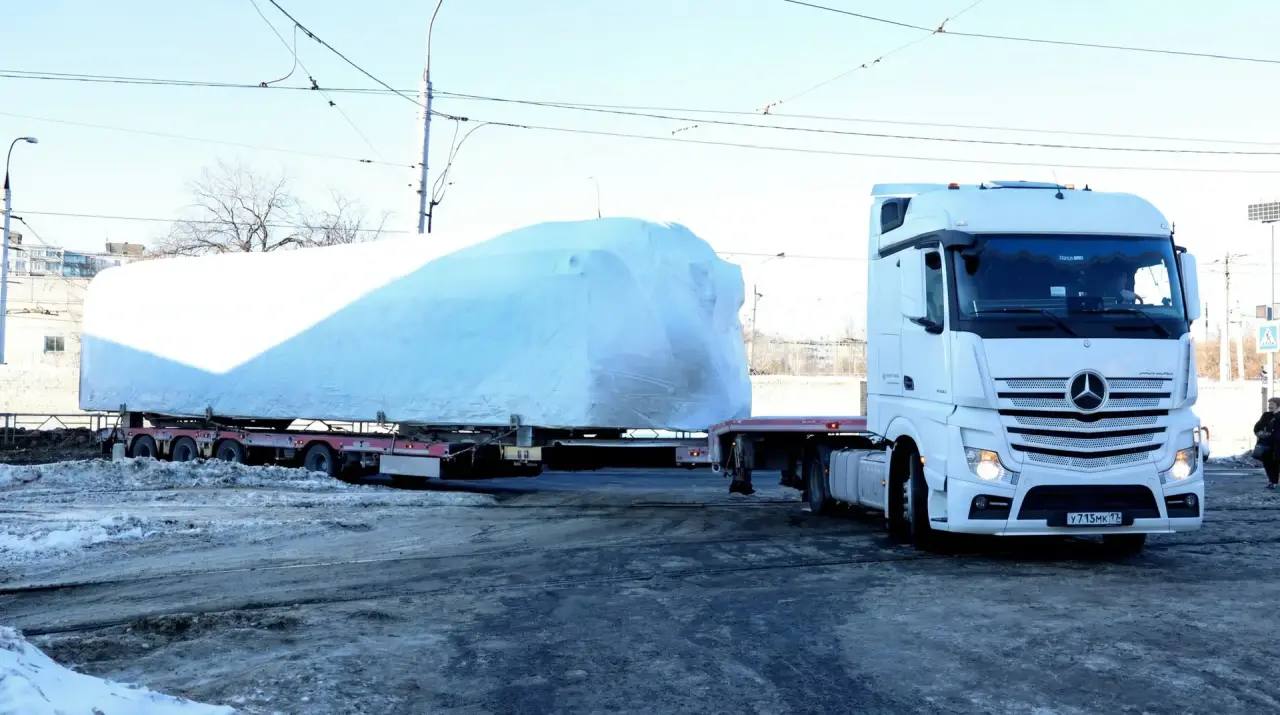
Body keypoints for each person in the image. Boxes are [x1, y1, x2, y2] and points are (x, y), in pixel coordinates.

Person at [1253, 398, 1280, 489]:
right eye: (1269, 404)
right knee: (1268, 464)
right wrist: (1259, 433)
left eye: (1272, 404)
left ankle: (1275, 481)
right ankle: (1272, 481)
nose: (1270, 406)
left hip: (1277, 445)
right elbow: (1257, 426)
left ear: (1278, 405)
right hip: (1266, 444)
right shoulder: (1266, 415)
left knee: (1277, 463)